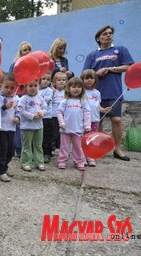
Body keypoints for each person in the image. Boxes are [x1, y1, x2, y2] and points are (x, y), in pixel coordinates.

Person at [82, 25, 134, 161]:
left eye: (110, 33)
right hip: (94, 94)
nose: (108, 35)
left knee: (116, 120)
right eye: (105, 34)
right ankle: (97, 148)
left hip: (114, 92)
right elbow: (84, 74)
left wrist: (111, 68)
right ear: (98, 38)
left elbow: (129, 66)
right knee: (97, 122)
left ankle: (117, 149)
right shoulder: (92, 55)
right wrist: (96, 73)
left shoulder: (120, 50)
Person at [57, 77, 91, 171]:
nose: (76, 89)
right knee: (64, 146)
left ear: (82, 89)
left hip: (78, 129)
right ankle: (62, 161)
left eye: (79, 87)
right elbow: (59, 112)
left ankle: (79, 161)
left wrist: (87, 125)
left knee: (78, 147)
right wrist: (62, 123)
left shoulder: (83, 101)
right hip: (65, 129)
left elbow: (87, 113)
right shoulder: (65, 101)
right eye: (74, 87)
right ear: (68, 88)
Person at [81, 69, 112, 167]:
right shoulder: (81, 92)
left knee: (91, 139)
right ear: (82, 80)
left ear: (95, 80)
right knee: (82, 139)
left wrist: (104, 110)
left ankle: (90, 156)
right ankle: (81, 157)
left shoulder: (97, 93)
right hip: (82, 120)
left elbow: (97, 106)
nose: (89, 80)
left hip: (94, 120)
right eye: (86, 78)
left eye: (91, 78)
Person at [8, 41, 32, 158]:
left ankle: (26, 148)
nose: (27, 52)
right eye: (24, 50)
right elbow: (10, 79)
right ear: (20, 52)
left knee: (27, 121)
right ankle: (17, 148)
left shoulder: (33, 64)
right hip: (18, 95)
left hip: (28, 96)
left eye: (29, 50)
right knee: (17, 121)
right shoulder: (14, 65)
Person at [17, 80, 47, 172]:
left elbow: (45, 107)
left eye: (35, 85)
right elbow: (21, 110)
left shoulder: (40, 98)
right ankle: (26, 162)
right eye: (30, 86)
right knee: (27, 145)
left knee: (38, 145)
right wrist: (32, 116)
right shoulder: (24, 98)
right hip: (27, 126)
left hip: (38, 126)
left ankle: (39, 162)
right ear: (26, 87)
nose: (33, 88)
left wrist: (41, 113)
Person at [0, 73, 20, 180]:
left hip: (11, 128)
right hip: (1, 129)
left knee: (11, 149)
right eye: (6, 87)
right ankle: (0, 171)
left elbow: (18, 110)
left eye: (12, 87)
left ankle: (4, 167)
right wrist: (4, 107)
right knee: (2, 149)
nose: (9, 90)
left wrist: (17, 117)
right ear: (0, 85)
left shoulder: (16, 98)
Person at [38, 71, 53, 163]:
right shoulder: (35, 89)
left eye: (48, 79)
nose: (46, 81)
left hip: (47, 117)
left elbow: (44, 102)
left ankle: (46, 153)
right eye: (43, 79)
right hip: (37, 117)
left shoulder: (49, 91)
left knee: (47, 136)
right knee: (38, 137)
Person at [51, 72, 67, 152]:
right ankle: (53, 146)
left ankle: (61, 146)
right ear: (54, 82)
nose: (61, 81)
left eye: (63, 80)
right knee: (54, 132)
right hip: (54, 114)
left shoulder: (67, 93)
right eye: (59, 80)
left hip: (64, 115)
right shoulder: (53, 92)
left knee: (62, 131)